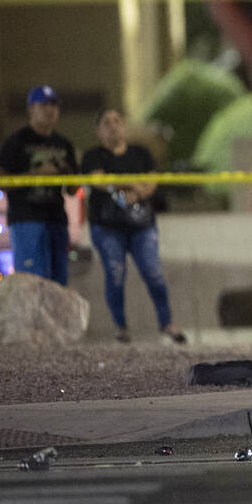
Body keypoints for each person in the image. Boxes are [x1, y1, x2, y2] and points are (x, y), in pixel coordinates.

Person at [81, 108, 185, 344]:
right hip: (107, 226)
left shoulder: (140, 153)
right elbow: (98, 181)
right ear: (98, 130)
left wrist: (131, 190)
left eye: (117, 121)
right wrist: (131, 182)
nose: (113, 126)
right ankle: (121, 328)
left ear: (124, 126)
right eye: (106, 122)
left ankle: (167, 323)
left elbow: (151, 183)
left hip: (141, 225)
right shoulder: (93, 156)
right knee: (115, 274)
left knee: (153, 273)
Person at [0, 86, 77, 283]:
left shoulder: (64, 144)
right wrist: (37, 174)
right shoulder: (16, 142)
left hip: (56, 219)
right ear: (31, 109)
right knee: (32, 282)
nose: (49, 110)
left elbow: (72, 190)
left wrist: (69, 176)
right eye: (44, 105)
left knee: (58, 284)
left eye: (54, 105)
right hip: (26, 219)